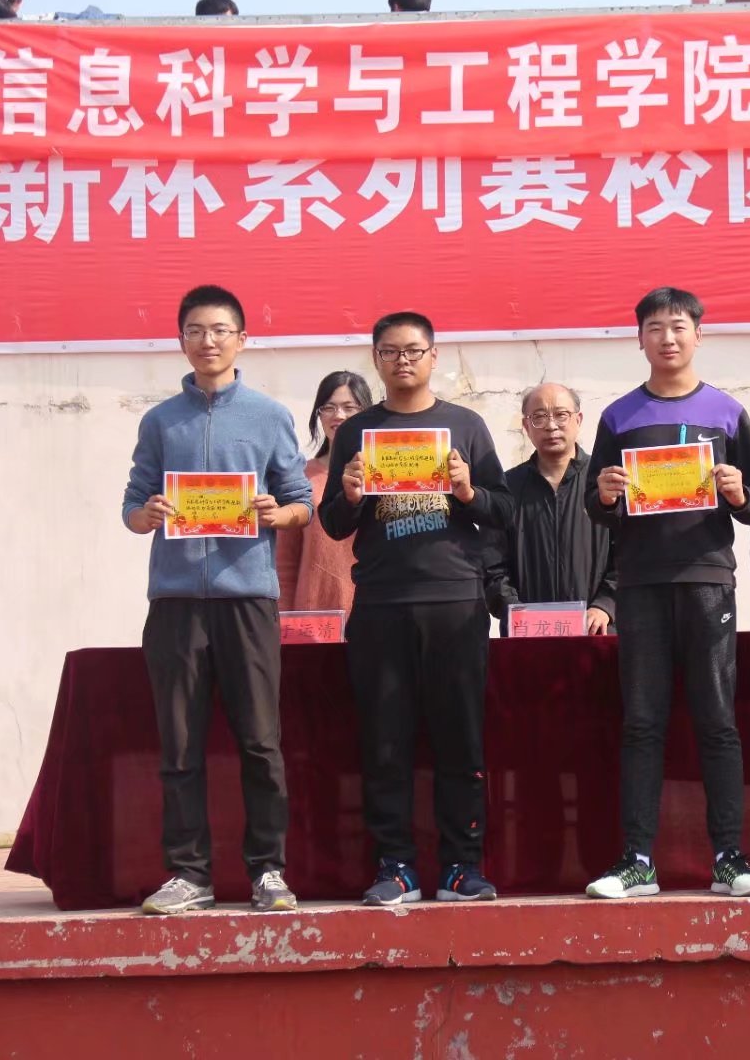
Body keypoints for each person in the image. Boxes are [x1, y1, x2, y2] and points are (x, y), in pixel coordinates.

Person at [121, 284, 312, 916]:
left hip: (247, 599)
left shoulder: (267, 415)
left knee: (260, 743)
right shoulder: (160, 421)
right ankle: (188, 873)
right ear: (181, 340)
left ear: (242, 340)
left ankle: (268, 870)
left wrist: (276, 512)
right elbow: (132, 505)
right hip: (175, 602)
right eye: (196, 330)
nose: (209, 341)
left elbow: (301, 502)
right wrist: (147, 515)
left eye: (221, 330)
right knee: (179, 746)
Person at [582, 287, 750, 899]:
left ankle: (730, 859)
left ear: (698, 335)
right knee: (642, 723)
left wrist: (739, 492)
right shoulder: (618, 417)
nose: (668, 338)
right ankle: (637, 860)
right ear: (639, 339)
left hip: (708, 580)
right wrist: (605, 492)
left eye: (679, 326)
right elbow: (595, 506)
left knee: (717, 721)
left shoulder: (727, 412)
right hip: (640, 585)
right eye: (656, 328)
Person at [320, 311, 512, 907]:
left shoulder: (465, 425)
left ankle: (461, 867)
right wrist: (351, 494)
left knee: (461, 740)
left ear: (433, 356)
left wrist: (467, 491)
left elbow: (504, 510)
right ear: (376, 359)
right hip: (381, 602)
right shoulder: (357, 432)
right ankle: (396, 866)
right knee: (385, 741)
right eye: (390, 351)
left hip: (455, 601)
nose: (402, 360)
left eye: (412, 350)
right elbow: (332, 523)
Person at [483, 382, 617, 636]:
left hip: (596, 631)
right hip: (526, 636)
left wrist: (605, 605)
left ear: (578, 419)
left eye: (561, 414)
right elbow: (491, 565)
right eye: (540, 417)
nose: (551, 425)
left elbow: (628, 553)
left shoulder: (603, 483)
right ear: (526, 426)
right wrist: (514, 610)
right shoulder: (506, 488)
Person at [275, 370, 373, 615]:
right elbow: (285, 560)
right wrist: (283, 616)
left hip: (374, 612)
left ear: (366, 412)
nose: (338, 415)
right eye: (328, 407)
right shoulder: (301, 476)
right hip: (314, 615)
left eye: (349, 407)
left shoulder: (385, 477)